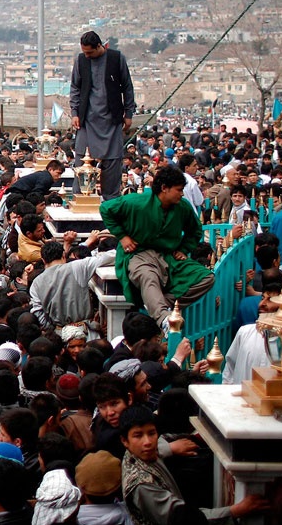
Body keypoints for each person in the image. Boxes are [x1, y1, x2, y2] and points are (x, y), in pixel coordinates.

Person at [119, 407, 264, 525]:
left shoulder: (141, 452)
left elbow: (160, 444)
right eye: (138, 435)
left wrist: (180, 444)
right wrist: (234, 511)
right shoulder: (141, 486)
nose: (148, 441)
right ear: (125, 441)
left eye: (151, 433)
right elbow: (183, 519)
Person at [99, 165, 214, 325]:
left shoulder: (183, 207)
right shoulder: (136, 202)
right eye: (179, 190)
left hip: (169, 256)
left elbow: (195, 231)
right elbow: (105, 208)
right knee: (148, 276)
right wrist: (123, 237)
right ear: (164, 188)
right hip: (138, 253)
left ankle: (158, 303)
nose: (182, 194)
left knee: (206, 277)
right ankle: (163, 320)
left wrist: (183, 248)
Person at [68, 30, 136, 199]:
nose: (88, 55)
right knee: (82, 161)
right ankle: (81, 198)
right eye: (85, 52)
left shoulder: (116, 58)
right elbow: (75, 88)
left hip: (111, 119)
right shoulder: (81, 60)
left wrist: (128, 113)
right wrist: (74, 112)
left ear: (99, 46)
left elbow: (127, 87)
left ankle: (110, 201)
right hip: (86, 119)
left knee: (113, 162)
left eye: (90, 52)